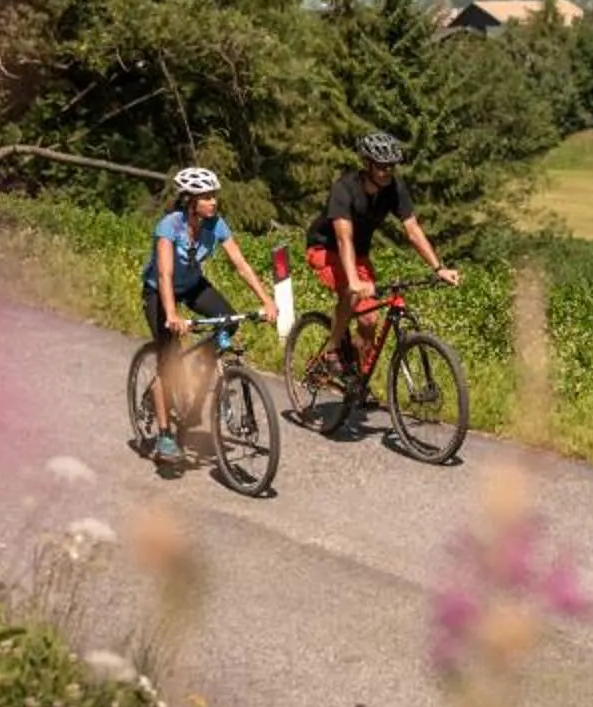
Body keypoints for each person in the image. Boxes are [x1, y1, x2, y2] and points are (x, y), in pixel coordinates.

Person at [301, 130, 458, 424]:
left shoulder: (394, 189)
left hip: (357, 256)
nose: (386, 172)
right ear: (367, 163)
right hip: (325, 249)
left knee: (369, 320)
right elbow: (344, 238)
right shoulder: (344, 189)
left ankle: (359, 380)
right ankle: (333, 349)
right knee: (351, 293)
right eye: (380, 166)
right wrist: (354, 282)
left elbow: (412, 230)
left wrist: (439, 267)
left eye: (391, 166)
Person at [141, 165, 276, 470]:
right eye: (206, 196)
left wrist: (266, 299)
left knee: (229, 319)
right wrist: (172, 314)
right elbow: (164, 273)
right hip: (159, 292)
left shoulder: (216, 225)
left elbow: (240, 264)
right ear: (190, 201)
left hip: (192, 285)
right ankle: (165, 435)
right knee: (169, 360)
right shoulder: (169, 226)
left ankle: (201, 368)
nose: (213, 201)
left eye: (214, 195)